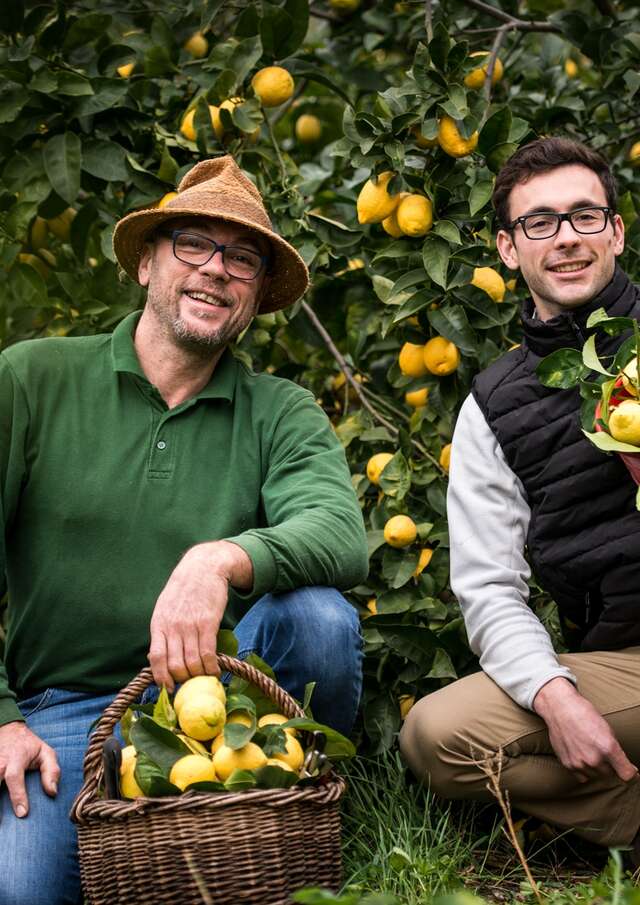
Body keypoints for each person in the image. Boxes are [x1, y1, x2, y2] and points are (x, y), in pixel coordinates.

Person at [0, 155, 368, 905]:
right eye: (192, 244)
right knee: (21, 892)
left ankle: (282, 818)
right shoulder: (31, 379)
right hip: (65, 713)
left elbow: (340, 533)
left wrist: (219, 558)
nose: (216, 270)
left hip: (225, 707)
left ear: (258, 292)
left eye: (241, 257)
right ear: (145, 263)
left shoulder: (280, 410)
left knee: (319, 619)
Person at [400, 138, 640, 856]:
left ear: (616, 232)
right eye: (540, 223)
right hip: (626, 663)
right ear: (508, 249)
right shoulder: (493, 409)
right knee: (436, 736)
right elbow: (490, 588)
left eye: (584, 216)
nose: (565, 237)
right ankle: (629, 810)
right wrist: (555, 695)